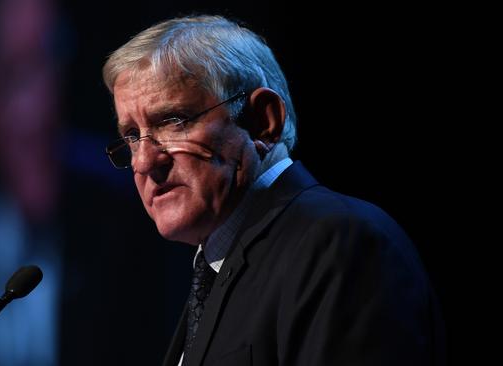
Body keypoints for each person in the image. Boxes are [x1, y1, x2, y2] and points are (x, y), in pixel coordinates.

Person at [102, 15, 445, 366]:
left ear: (263, 121)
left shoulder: (341, 240)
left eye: (173, 121)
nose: (144, 162)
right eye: (131, 136)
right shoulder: (218, 268)